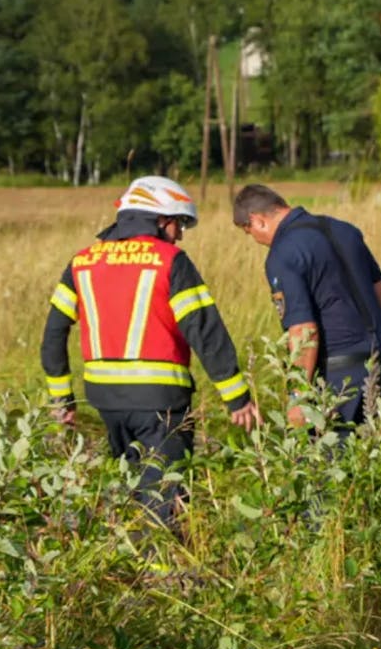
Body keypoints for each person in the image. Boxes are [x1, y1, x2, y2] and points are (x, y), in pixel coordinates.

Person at [41, 176, 261, 524]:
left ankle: (131, 567)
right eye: (180, 224)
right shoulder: (171, 260)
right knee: (165, 501)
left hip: (105, 403)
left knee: (130, 492)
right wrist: (236, 396)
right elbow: (204, 329)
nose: (181, 234)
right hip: (161, 404)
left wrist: (62, 400)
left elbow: (53, 333)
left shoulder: (82, 262)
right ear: (161, 220)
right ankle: (165, 573)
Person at [232, 184, 381, 431]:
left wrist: (298, 397)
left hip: (339, 380)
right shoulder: (344, 230)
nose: (255, 240)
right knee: (375, 459)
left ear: (257, 220)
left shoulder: (283, 253)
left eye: (249, 232)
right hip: (379, 366)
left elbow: (304, 329)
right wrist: (379, 347)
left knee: (332, 464)